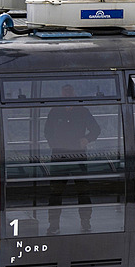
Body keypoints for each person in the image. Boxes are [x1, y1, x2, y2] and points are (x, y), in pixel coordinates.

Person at [44, 84, 100, 234]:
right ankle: (54, 224)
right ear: (62, 94)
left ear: (74, 94)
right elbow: (47, 131)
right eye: (65, 92)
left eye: (69, 92)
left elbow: (96, 129)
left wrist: (87, 139)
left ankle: (85, 221)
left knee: (83, 191)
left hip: (79, 157)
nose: (67, 95)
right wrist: (55, 144)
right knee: (55, 192)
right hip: (58, 157)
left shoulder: (82, 111)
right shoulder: (55, 111)